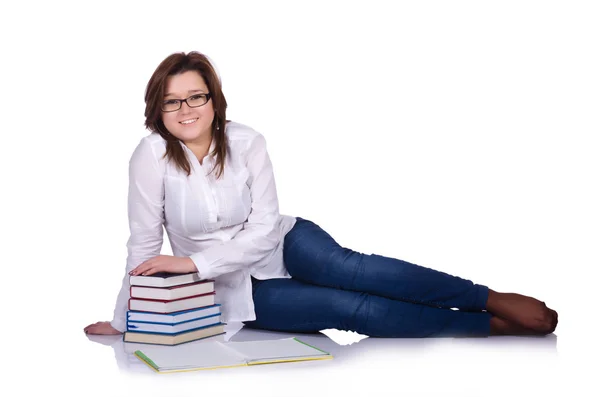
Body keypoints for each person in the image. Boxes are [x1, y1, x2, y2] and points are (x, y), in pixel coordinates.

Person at [84, 51, 558, 338]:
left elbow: (265, 226)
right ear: (158, 108)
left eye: (196, 96)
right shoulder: (150, 157)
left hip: (284, 242)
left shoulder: (248, 141)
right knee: (345, 308)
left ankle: (485, 297)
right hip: (236, 290)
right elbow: (143, 244)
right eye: (172, 100)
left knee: (351, 271)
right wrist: (125, 318)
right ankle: (484, 327)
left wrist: (193, 263)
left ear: (214, 99)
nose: (186, 109)